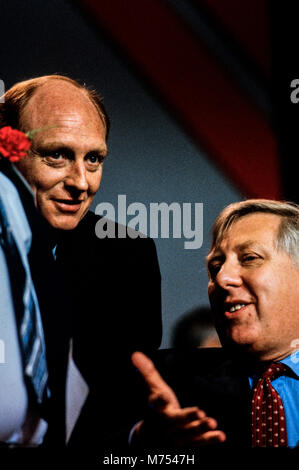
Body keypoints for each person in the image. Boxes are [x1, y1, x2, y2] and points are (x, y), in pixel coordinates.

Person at [0, 75, 162, 451]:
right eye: (57, 154)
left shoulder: (127, 255)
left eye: (94, 159)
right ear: (7, 152)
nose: (81, 182)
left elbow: (125, 402)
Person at [132, 199, 299, 450]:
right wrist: (143, 443)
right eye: (215, 266)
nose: (222, 278)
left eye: (250, 258)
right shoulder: (166, 384)